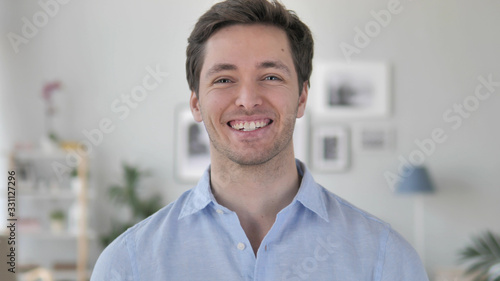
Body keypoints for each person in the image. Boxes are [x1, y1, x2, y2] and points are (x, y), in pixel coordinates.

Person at [91, 0, 429, 280]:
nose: (248, 99)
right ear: (196, 103)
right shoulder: (127, 264)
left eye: (271, 76)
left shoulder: (385, 260)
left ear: (301, 98)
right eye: (224, 79)